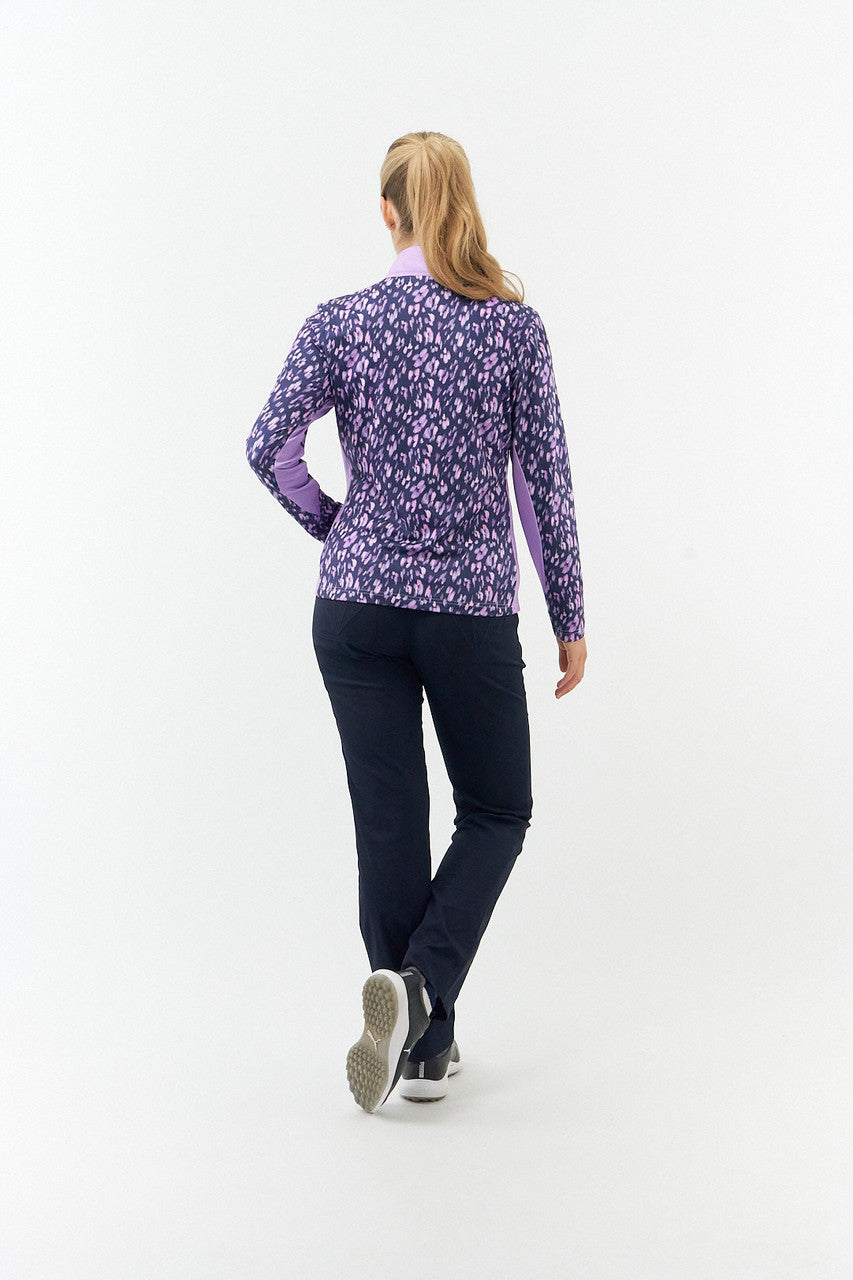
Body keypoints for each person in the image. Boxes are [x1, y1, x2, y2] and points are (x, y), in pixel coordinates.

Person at [245, 130, 587, 1114]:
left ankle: (423, 1047)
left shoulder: (341, 321)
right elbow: (543, 488)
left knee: (389, 821)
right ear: (462, 204)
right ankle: (424, 1003)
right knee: (497, 811)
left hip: (354, 609)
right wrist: (568, 613)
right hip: (467, 612)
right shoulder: (511, 330)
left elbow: (269, 446)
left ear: (387, 211)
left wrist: (335, 525)